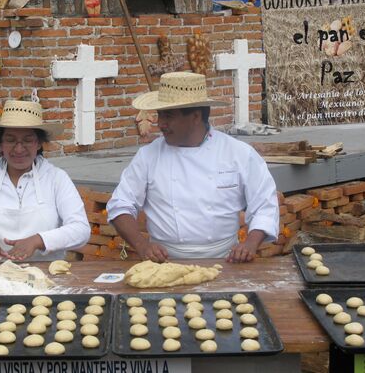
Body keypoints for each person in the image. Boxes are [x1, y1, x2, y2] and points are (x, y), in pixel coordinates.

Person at [106, 71, 279, 263]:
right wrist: (142, 246)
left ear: (196, 116)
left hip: (227, 261)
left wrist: (250, 244)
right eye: (159, 115)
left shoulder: (238, 153)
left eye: (168, 116)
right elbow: (120, 205)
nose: (160, 124)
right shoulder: (147, 156)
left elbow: (265, 205)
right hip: (163, 263)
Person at [0, 100, 90, 262]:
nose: (19, 149)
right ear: (1, 144)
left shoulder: (56, 178)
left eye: (27, 140)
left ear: (39, 143)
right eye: (11, 140)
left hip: (46, 278)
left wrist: (38, 240)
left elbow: (81, 230)